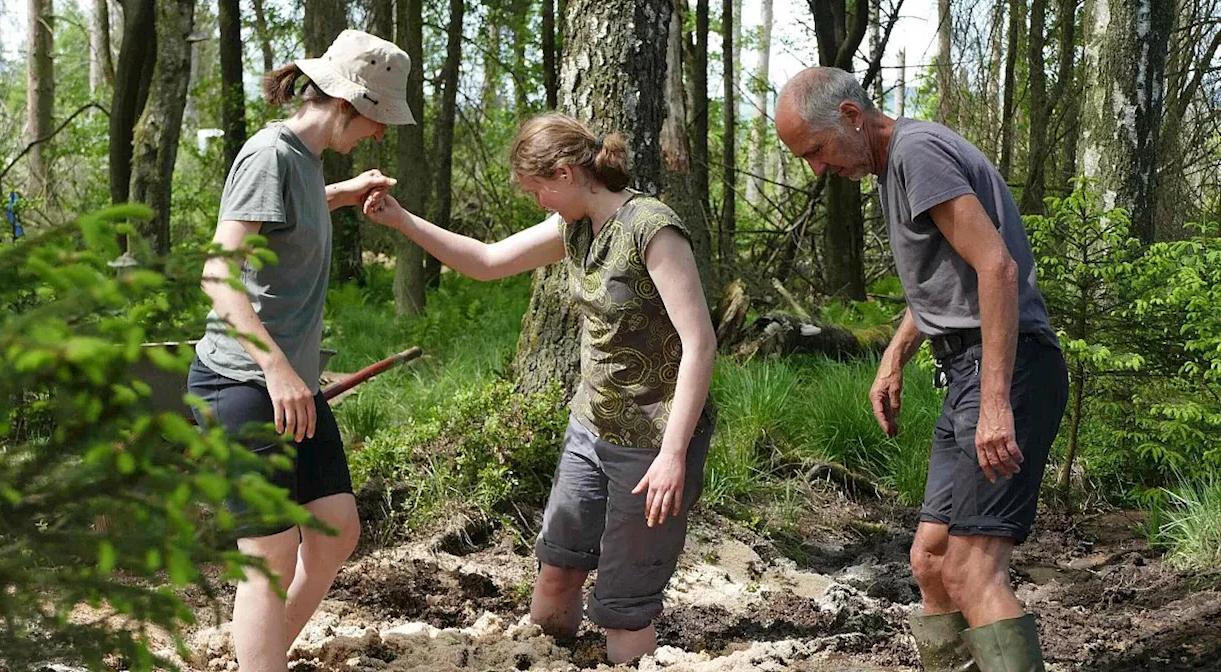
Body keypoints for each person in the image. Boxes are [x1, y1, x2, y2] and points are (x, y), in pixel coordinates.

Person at [363, 113, 716, 664]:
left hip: (652, 446)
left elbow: (700, 343)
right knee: (557, 568)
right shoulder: (573, 227)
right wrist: (403, 219)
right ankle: (542, 658)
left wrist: (673, 454)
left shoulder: (653, 227)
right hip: (590, 429)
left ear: (566, 173)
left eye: (538, 191)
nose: (538, 204)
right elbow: (485, 262)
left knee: (624, 605)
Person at [774, 67, 1068, 672]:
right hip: (968, 371)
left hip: (1008, 371)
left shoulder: (916, 154)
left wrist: (994, 403)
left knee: (970, 569)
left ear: (853, 117)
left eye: (819, 151)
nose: (818, 169)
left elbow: (997, 269)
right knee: (931, 561)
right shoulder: (897, 163)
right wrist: (895, 355)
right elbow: (947, 276)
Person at [187, 30, 413, 672]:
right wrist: (278, 369)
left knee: (336, 527)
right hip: (244, 382)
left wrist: (342, 194)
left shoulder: (305, 163)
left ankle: (264, 653)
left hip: (289, 386)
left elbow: (286, 217)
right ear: (346, 103)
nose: (377, 133)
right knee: (271, 555)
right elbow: (217, 273)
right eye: (376, 119)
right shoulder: (269, 155)